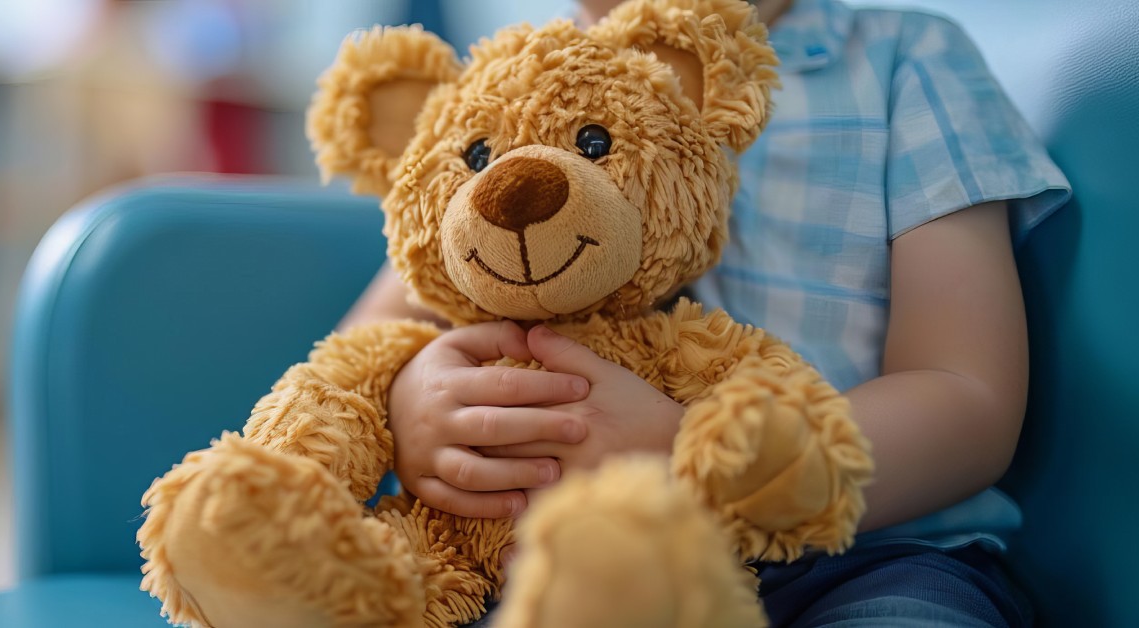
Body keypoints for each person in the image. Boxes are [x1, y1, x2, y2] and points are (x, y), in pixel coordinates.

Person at [342, 0, 1071, 625]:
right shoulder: (522, 87)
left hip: (873, 556)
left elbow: (966, 395)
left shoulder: (906, 62)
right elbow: (369, 345)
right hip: (578, 564)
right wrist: (413, 408)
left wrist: (696, 461)